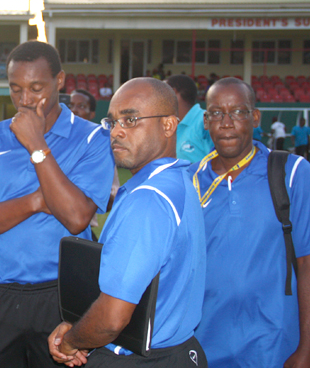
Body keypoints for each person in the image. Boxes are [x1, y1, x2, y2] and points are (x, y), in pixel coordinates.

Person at [0, 40, 114, 368]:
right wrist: (38, 200)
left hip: (60, 298)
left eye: (36, 88)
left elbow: (76, 217)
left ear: (60, 81)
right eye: (15, 89)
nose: (25, 100)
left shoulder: (92, 140)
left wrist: (36, 145)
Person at [48, 77, 207, 368]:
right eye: (112, 121)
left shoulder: (148, 198)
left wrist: (71, 341)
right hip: (178, 350)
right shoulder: (177, 179)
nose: (117, 131)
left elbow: (111, 319)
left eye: (131, 119)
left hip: (136, 358)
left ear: (169, 125)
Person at [192, 77, 310, 367]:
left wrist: (309, 348)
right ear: (206, 120)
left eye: (237, 111)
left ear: (255, 117)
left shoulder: (292, 172)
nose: (226, 122)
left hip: (273, 345)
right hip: (203, 345)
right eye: (217, 113)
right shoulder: (192, 182)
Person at [69, 89, 120, 240]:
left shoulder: (100, 149)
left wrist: (101, 195)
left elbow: (112, 197)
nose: (74, 110)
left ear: (92, 114)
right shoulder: (51, 143)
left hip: (80, 233)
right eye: (71, 105)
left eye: (81, 106)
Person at [165, 74, 214, 163]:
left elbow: (220, 164)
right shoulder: (171, 125)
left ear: (173, 92)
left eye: (160, 93)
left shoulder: (204, 121)